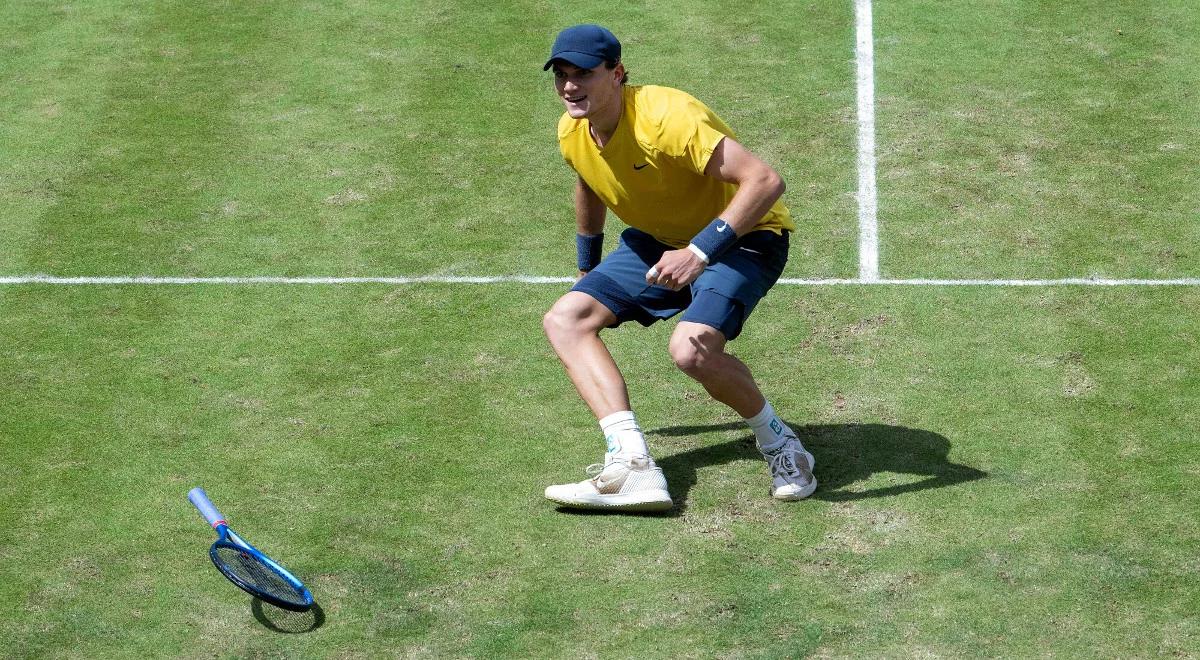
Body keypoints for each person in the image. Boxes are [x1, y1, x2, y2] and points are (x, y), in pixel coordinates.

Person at [540, 24, 815, 511]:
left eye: (583, 73)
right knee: (566, 319)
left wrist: (700, 252)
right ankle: (633, 467)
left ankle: (781, 444)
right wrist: (587, 267)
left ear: (617, 73)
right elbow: (589, 182)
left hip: (744, 237)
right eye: (561, 75)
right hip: (657, 242)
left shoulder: (668, 118)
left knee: (693, 352)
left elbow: (765, 180)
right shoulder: (573, 129)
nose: (569, 86)